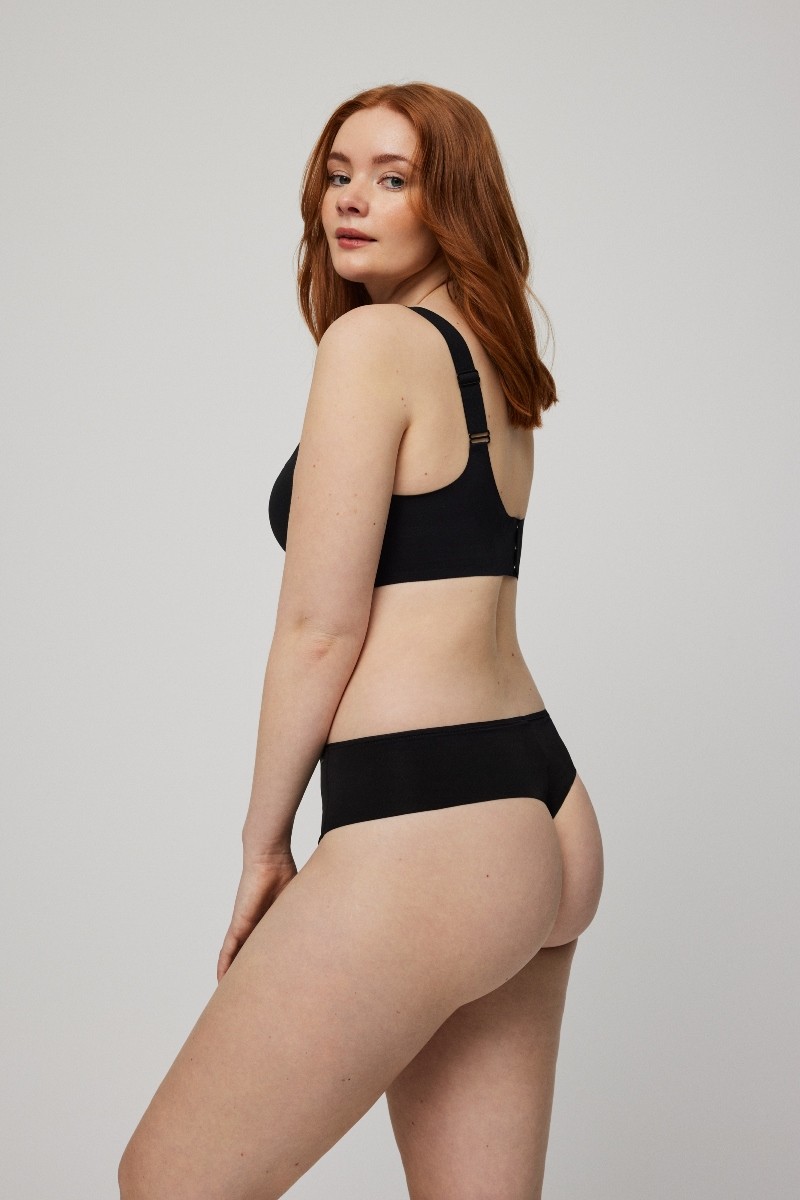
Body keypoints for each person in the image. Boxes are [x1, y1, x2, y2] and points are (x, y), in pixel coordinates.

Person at [118, 82, 604, 1200]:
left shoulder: (373, 343)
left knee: (168, 1181)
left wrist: (264, 847)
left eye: (393, 179)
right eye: (339, 174)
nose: (350, 199)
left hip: (429, 819)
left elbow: (319, 627)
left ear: (453, 202)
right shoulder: (492, 358)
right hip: (537, 803)